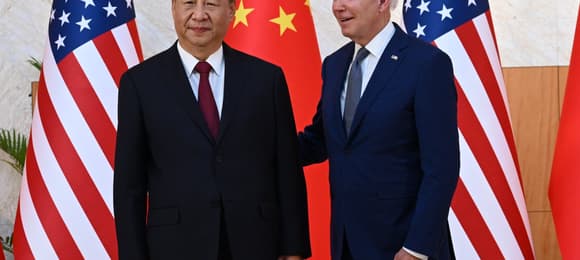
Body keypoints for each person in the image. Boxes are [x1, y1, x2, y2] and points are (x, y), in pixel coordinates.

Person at [113, 0, 310, 259]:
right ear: (173, 9)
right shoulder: (139, 83)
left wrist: (293, 248)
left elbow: (287, 170)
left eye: (211, 4)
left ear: (231, 11)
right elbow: (129, 186)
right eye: (189, 4)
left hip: (256, 243)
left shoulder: (267, 80)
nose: (199, 15)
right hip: (174, 246)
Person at [298, 0, 460, 259]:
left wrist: (416, 248)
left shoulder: (426, 64)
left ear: (383, 2)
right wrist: (257, 146)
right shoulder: (334, 64)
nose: (338, 7)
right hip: (347, 244)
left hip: (403, 247)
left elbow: (441, 169)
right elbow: (321, 139)